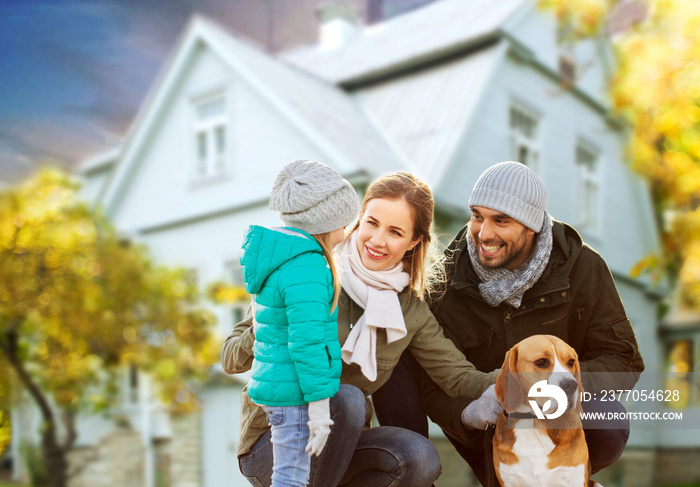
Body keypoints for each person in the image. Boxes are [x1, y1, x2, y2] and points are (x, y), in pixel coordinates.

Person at [375, 161, 645, 487]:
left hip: (564, 422)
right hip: (486, 425)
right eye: (477, 216)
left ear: (531, 226)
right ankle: (415, 476)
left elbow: (624, 359)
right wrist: (470, 412)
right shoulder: (445, 279)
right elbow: (432, 381)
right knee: (397, 338)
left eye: (501, 220)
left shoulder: (583, 268)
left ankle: (571, 478)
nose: (484, 233)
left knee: (610, 420)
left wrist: (557, 388)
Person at [222, 171, 499, 487]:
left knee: (419, 456)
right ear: (358, 219)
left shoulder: (408, 311)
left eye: (395, 231)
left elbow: (460, 377)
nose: (377, 240)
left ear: (414, 241)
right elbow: (231, 359)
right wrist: (272, 321)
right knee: (346, 398)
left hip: (343, 448)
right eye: (372, 222)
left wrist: (529, 385)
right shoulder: (308, 272)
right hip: (273, 443)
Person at [239, 160, 359, 487]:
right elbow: (306, 341)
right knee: (291, 478)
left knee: (291, 474)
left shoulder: (283, 257)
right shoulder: (307, 267)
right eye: (346, 222)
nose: (349, 231)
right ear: (326, 220)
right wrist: (320, 409)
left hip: (279, 386)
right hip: (293, 394)